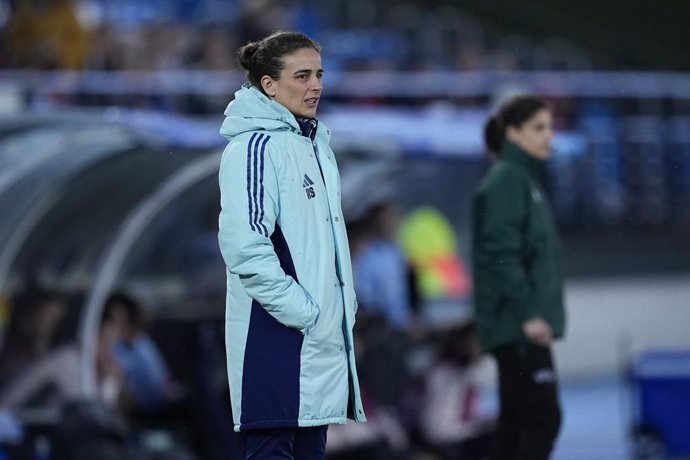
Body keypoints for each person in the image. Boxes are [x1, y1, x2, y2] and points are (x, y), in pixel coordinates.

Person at [217, 31, 366, 459]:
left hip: (316, 343)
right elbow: (244, 245)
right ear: (269, 84)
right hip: (276, 338)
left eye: (319, 74)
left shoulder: (316, 146)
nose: (315, 85)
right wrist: (303, 312)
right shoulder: (255, 147)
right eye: (302, 75)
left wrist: (339, 311)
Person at [471, 95, 566, 460]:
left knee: (514, 430)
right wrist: (528, 314)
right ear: (513, 133)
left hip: (518, 324)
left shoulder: (522, 181)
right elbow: (501, 256)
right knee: (543, 420)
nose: (549, 137)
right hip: (518, 325)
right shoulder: (507, 182)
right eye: (539, 128)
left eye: (550, 127)